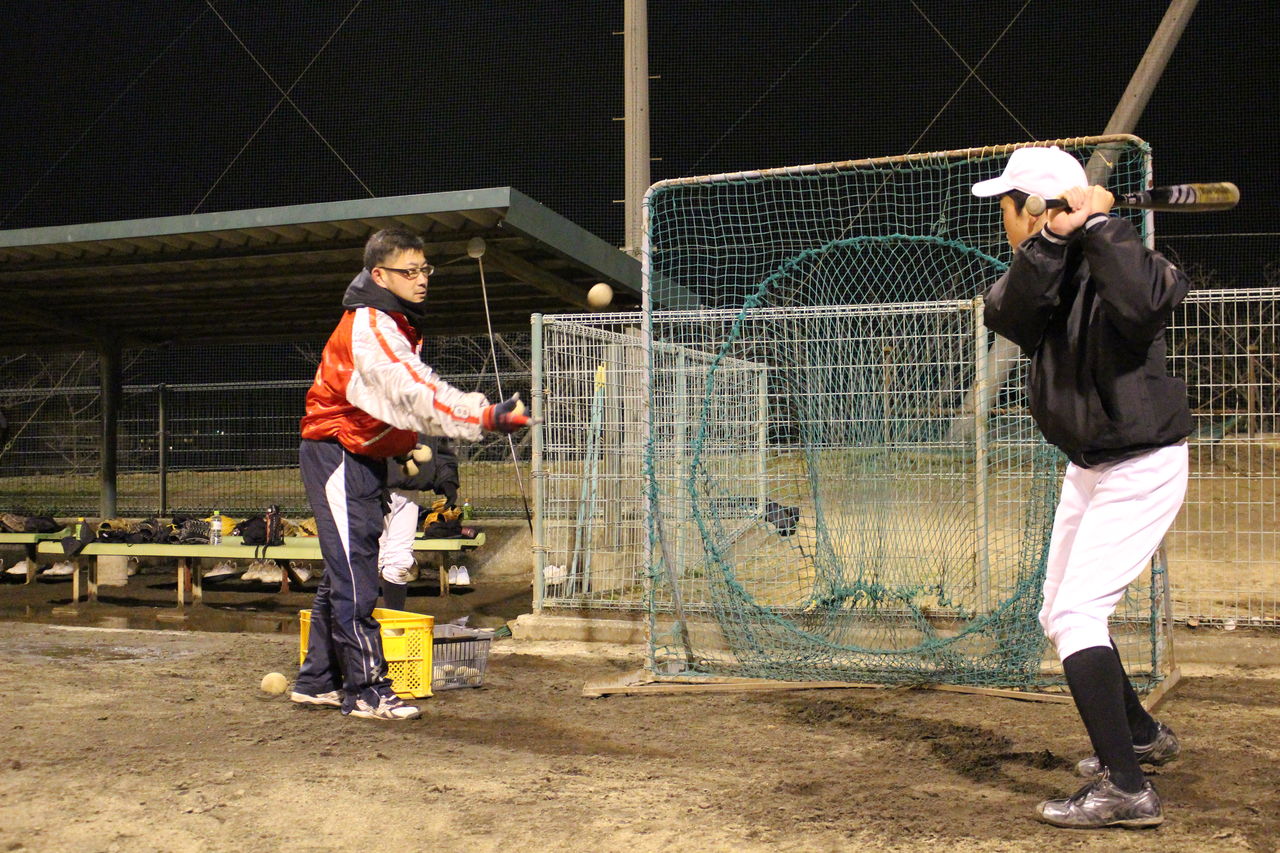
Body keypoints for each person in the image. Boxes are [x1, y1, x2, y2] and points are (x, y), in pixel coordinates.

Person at [973, 146, 1191, 829]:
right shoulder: (1047, 269)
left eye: (1008, 206)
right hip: (1091, 464)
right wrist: (1053, 240)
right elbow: (1006, 314)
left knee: (1076, 615)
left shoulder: (1115, 260)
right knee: (1056, 612)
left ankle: (1127, 789)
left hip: (1142, 464)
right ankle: (1141, 737)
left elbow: (1152, 299)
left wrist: (1099, 225)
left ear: (1032, 206)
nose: (1003, 219)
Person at [290, 228, 529, 721]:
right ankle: (366, 691)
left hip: (358, 453)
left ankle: (316, 681)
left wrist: (400, 447)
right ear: (379, 276)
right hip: (337, 453)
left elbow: (386, 406)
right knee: (355, 575)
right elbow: (412, 391)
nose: (422, 280)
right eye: (410, 272)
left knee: (344, 572)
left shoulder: (393, 321)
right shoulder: (371, 325)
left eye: (425, 270)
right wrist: (481, 415)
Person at [379, 433, 460, 611]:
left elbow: (437, 440)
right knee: (364, 561)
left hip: (408, 487)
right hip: (369, 488)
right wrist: (369, 479)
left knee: (400, 563)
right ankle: (345, 624)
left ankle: (394, 623)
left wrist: (447, 479)